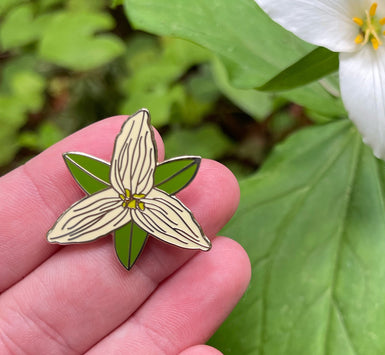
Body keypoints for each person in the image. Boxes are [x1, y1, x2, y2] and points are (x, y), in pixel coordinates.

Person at [0, 115, 251, 354]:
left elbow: (174, 223)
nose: (131, 199)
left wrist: (196, 239)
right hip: (123, 208)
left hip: (137, 208)